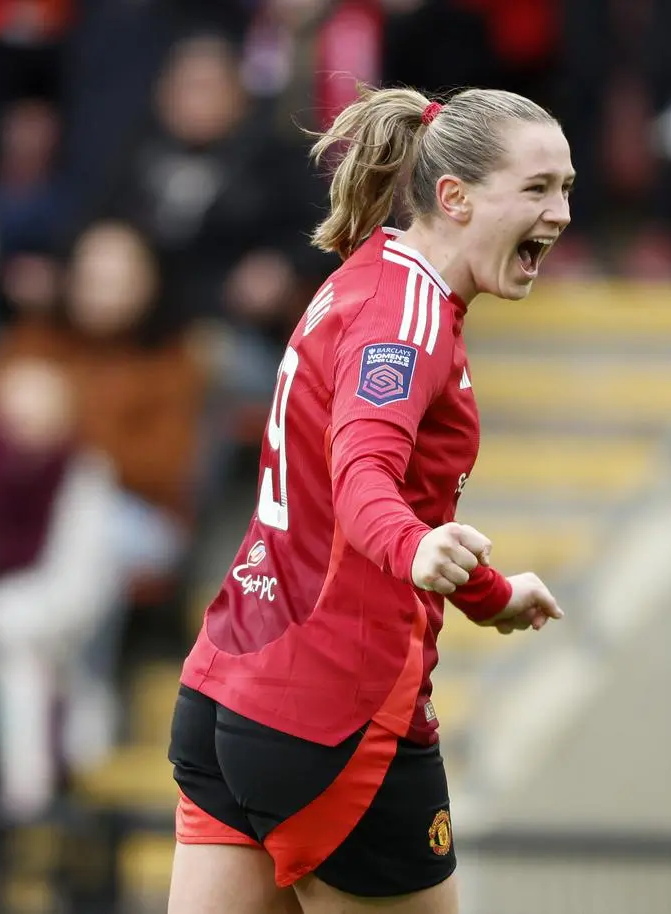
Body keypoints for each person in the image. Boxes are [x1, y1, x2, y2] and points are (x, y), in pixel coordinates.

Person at [167, 84, 574, 914]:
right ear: (454, 198)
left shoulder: (370, 273)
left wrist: (489, 594)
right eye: (536, 189)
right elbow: (364, 481)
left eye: (566, 186)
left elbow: (371, 503)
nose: (561, 212)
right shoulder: (409, 320)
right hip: (334, 716)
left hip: (227, 698)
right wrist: (416, 548)